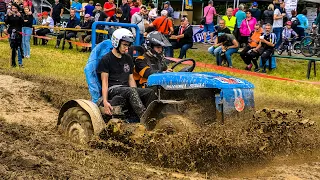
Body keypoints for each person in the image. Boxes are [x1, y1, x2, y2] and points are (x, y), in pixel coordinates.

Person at [97, 28, 157, 118]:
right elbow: (104, 82)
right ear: (116, 42)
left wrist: (137, 93)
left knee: (150, 92)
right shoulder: (106, 59)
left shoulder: (128, 58)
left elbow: (131, 79)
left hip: (126, 89)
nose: (126, 48)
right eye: (124, 45)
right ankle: (145, 118)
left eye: (128, 45)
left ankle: (152, 116)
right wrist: (105, 101)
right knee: (131, 91)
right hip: (112, 89)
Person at [5, 3, 24, 67]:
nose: (14, 9)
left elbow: (23, 22)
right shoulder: (9, 15)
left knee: (19, 48)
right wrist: (7, 16)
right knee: (13, 48)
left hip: (18, 32)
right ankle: (13, 63)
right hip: (11, 32)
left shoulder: (20, 14)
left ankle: (20, 63)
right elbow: (6, 22)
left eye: (15, 8)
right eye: (13, 8)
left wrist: (20, 17)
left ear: (17, 9)